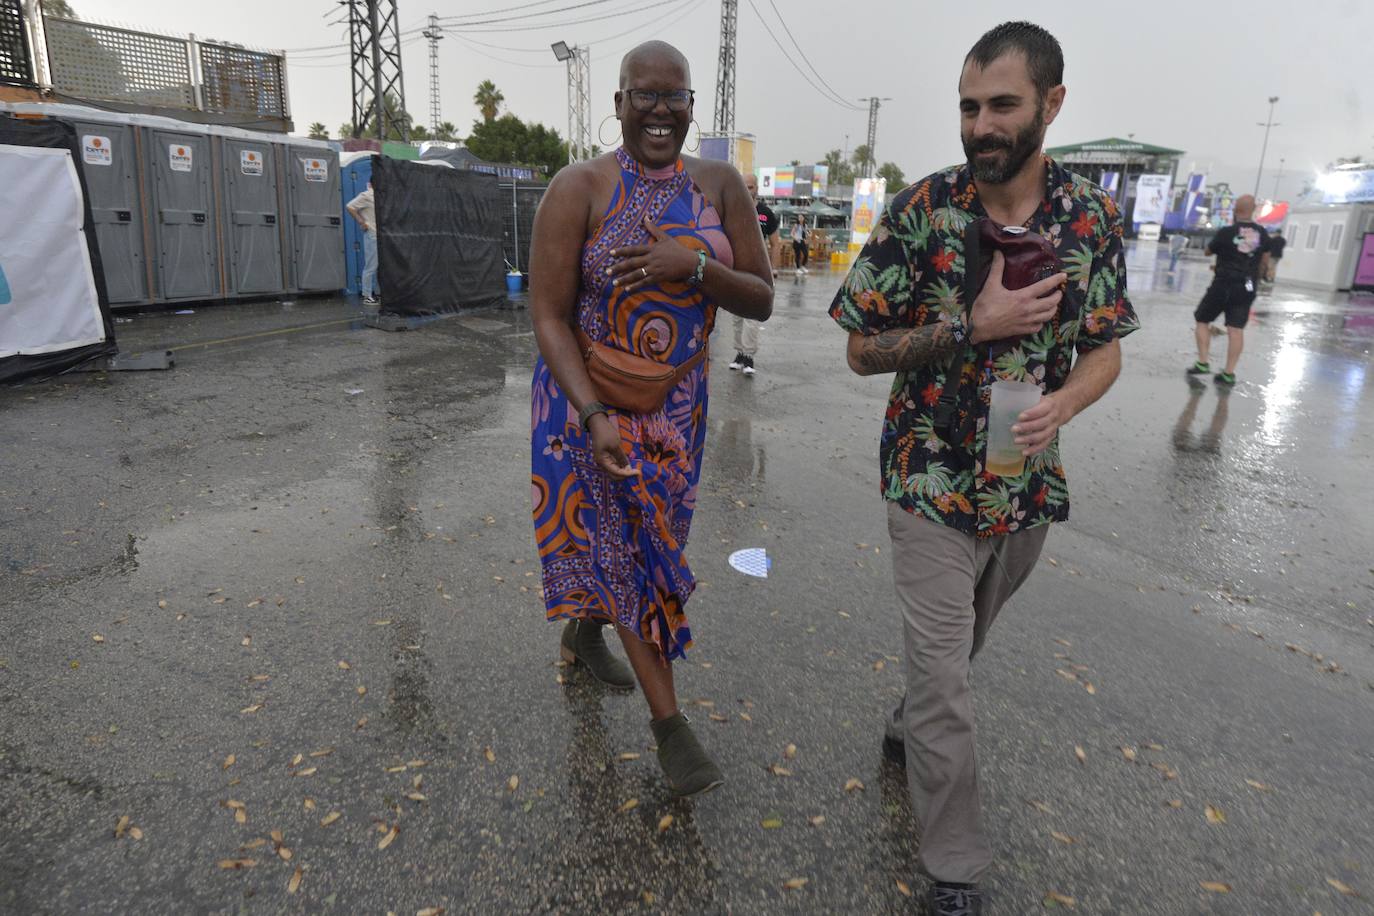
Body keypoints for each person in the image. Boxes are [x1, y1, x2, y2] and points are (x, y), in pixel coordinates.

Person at [829, 21, 1137, 915]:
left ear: (1052, 104)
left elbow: (1106, 350)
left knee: (955, 655)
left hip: (1025, 483)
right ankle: (953, 871)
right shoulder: (925, 209)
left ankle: (910, 720)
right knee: (945, 677)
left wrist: (1063, 406)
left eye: (1001, 105)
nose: (981, 125)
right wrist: (973, 324)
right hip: (927, 476)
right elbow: (857, 348)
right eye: (969, 107)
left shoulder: (1089, 219)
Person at [528, 40, 773, 798]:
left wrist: (694, 266)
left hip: (678, 412)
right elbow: (546, 313)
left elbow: (761, 297)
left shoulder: (720, 185)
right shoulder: (579, 187)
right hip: (587, 406)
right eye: (645, 96)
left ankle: (584, 628)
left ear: (692, 105)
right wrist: (593, 412)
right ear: (620, 102)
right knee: (630, 551)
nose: (660, 111)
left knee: (646, 547)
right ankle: (672, 730)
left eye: (676, 97)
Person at [1187, 194, 1270, 386]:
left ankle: (1202, 363)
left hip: (1223, 283)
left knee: (1202, 319)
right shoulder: (1263, 234)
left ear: (1235, 210)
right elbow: (1265, 261)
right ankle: (1228, 373)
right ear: (1254, 209)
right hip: (1247, 286)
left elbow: (1208, 251)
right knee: (1236, 329)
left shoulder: (1226, 231)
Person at [729, 172, 776, 376]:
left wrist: (773, 270)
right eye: (744, 186)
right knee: (737, 315)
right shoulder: (734, 210)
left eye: (750, 187)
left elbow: (776, 243)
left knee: (752, 317)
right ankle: (739, 353)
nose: (747, 190)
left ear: (757, 188)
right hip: (736, 269)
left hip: (758, 271)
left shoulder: (765, 213)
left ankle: (749, 356)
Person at [345, 181, 379, 304]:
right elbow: (350, 206)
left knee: (378, 266)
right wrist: (361, 221)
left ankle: (376, 292)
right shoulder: (366, 195)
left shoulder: (380, 196)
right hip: (372, 233)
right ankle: (367, 295)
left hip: (380, 235)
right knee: (371, 266)